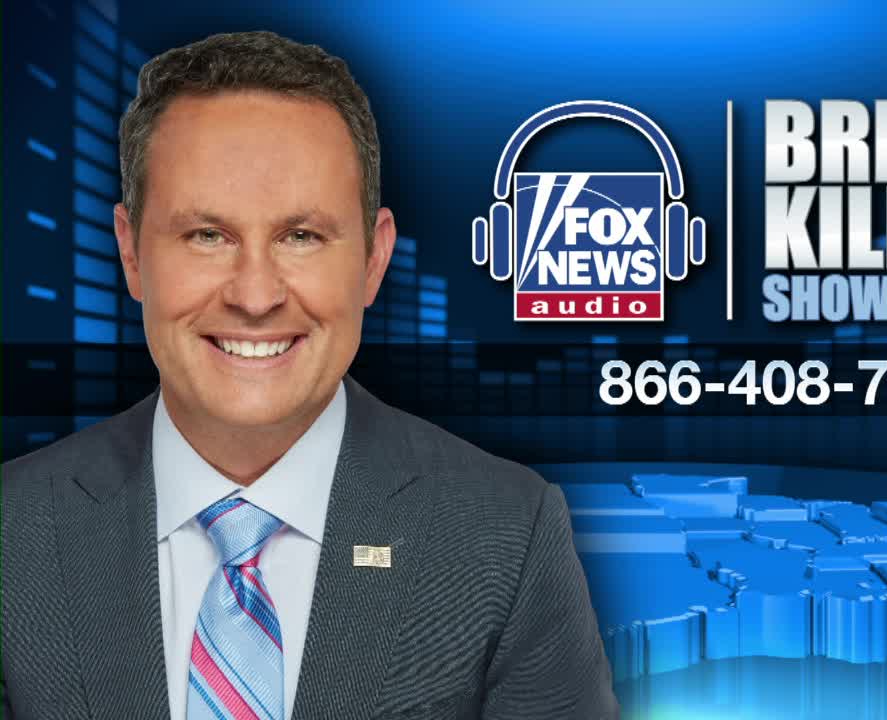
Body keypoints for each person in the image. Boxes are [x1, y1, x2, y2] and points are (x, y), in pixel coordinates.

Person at [1, 30, 617, 720]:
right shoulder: (13, 532)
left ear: (374, 261)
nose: (256, 295)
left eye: (301, 236)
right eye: (207, 235)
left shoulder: (505, 534)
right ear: (131, 253)